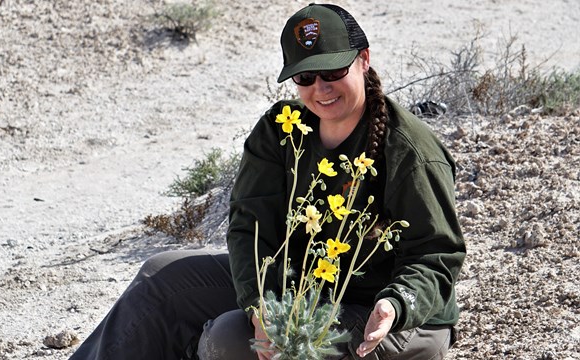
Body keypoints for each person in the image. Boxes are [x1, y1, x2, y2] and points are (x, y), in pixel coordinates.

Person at [70, 3, 466, 360]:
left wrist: (396, 304)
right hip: (305, 289)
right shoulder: (282, 130)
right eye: (306, 77)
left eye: (333, 71)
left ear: (363, 60)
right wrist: (261, 304)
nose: (320, 89)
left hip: (397, 320)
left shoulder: (409, 150)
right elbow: (249, 227)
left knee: (229, 338)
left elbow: (435, 253)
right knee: (162, 278)